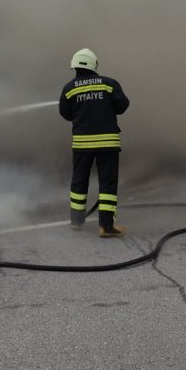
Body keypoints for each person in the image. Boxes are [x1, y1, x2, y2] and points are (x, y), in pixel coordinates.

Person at [58, 48, 130, 237]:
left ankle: (76, 221)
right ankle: (106, 226)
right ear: (94, 64)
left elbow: (65, 114)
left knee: (79, 180)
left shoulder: (69, 89)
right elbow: (123, 105)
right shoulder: (109, 84)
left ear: (74, 65)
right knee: (107, 183)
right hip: (108, 144)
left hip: (82, 144)